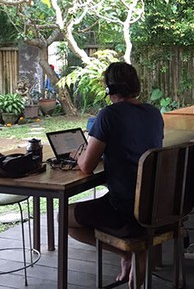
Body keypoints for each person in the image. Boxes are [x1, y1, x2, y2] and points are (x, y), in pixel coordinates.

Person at [68, 62, 163, 287]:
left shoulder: (108, 115)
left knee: (65, 216)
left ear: (109, 89)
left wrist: (78, 155)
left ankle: (128, 251)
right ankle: (129, 253)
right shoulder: (154, 113)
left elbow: (87, 166)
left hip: (125, 210)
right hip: (157, 206)